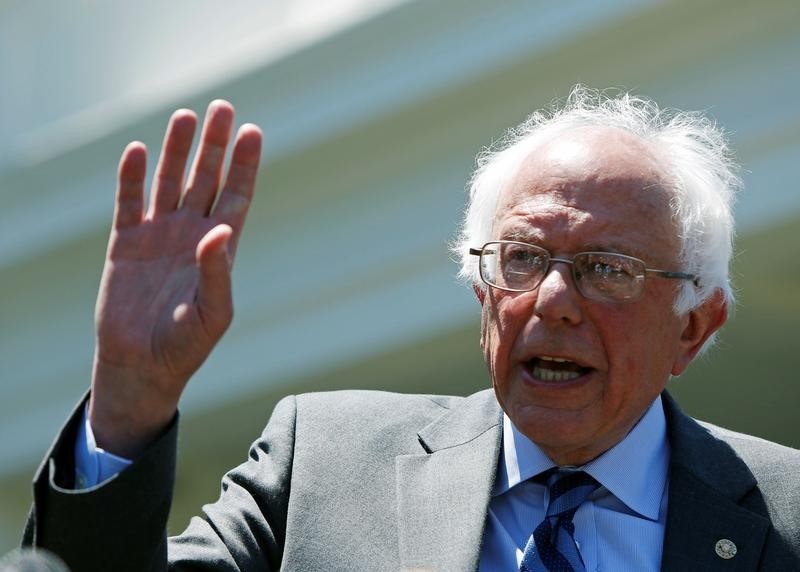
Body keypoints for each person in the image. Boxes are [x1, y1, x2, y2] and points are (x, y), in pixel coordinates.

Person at [23, 87, 799, 571]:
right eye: (523, 258)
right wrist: (129, 400)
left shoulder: (784, 513)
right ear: (481, 295)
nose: (555, 300)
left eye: (608, 268)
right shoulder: (321, 467)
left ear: (693, 327)